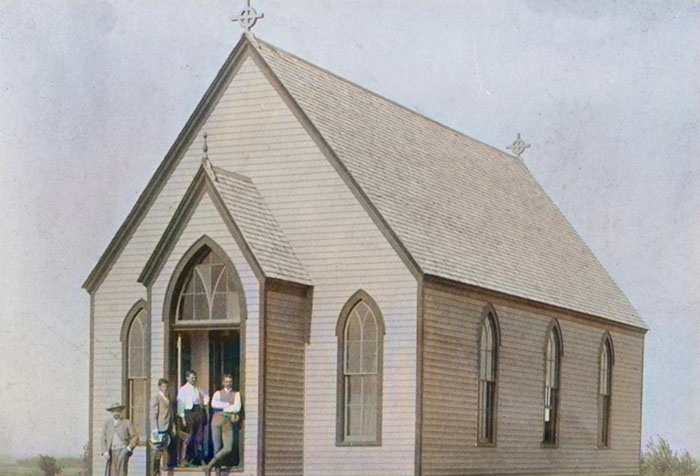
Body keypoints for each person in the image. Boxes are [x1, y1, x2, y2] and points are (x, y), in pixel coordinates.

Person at [203, 374, 242, 476]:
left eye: (230, 381)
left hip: (228, 421)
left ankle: (209, 465)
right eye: (227, 381)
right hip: (216, 420)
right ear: (223, 382)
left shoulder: (236, 394)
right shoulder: (217, 393)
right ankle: (217, 473)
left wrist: (223, 408)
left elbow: (237, 408)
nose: (228, 383)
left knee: (228, 447)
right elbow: (214, 404)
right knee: (217, 448)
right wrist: (229, 405)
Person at [177, 370, 209, 466]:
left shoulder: (198, 389)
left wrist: (204, 402)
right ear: (187, 378)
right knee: (189, 436)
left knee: (199, 436)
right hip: (188, 412)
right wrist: (182, 417)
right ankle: (185, 459)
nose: (194, 379)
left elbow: (206, 396)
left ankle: (199, 458)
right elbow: (180, 404)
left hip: (198, 411)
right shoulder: (183, 389)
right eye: (192, 377)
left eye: (195, 377)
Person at [101, 402, 139, 476]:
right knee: (112, 473)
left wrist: (128, 448)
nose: (116, 413)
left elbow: (135, 437)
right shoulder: (107, 423)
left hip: (122, 451)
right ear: (111, 412)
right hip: (111, 452)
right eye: (114, 411)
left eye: (118, 411)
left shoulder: (127, 423)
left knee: (122, 473)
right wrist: (105, 451)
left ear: (121, 411)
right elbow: (103, 438)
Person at [149, 378, 173, 475]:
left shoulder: (167, 398)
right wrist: (155, 430)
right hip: (159, 428)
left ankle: (161, 471)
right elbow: (153, 415)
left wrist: (173, 426)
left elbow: (170, 413)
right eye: (163, 386)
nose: (165, 388)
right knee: (156, 452)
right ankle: (154, 472)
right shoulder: (156, 398)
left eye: (167, 387)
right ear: (159, 387)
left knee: (163, 450)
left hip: (167, 427)